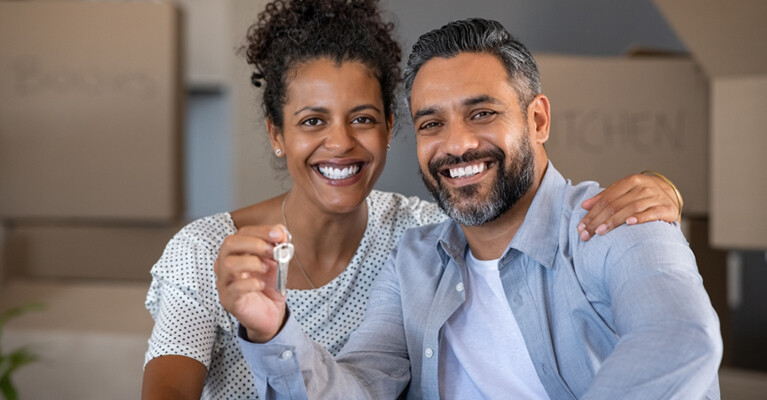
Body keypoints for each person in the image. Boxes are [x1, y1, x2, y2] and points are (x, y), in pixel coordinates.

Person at [141, 1, 687, 398]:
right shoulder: (419, 256)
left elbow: (676, 338)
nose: (457, 144)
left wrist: (663, 192)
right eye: (311, 121)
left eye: (482, 113)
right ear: (276, 134)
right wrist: (274, 331)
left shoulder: (605, 227)